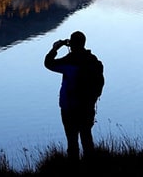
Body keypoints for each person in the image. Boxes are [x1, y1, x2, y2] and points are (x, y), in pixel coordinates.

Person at [44, 31, 103, 163]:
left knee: (72, 142)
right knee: (87, 139)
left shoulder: (69, 61)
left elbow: (48, 63)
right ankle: (92, 167)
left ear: (72, 44)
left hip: (70, 108)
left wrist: (55, 48)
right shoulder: (93, 61)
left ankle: (74, 170)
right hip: (87, 106)